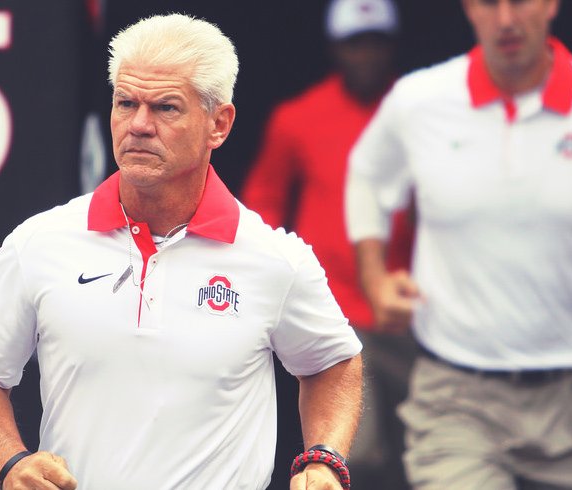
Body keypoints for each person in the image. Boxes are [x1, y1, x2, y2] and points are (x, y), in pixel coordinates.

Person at [0, 13, 364, 490]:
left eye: (166, 108)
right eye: (126, 103)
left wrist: (324, 457)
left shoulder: (274, 259)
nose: (138, 125)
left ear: (218, 125)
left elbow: (333, 360)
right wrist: (11, 462)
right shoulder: (39, 243)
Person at [345, 0, 572, 488]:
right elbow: (368, 175)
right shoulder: (420, 100)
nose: (505, 20)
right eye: (488, 3)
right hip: (456, 397)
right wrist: (373, 276)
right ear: (467, 8)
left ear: (552, 4)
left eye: (519, 1)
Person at [241, 1, 414, 488]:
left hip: (412, 307)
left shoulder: (417, 111)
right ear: (336, 49)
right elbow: (263, 204)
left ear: (392, 44)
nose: (367, 55)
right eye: (355, 43)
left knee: (429, 446)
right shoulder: (298, 118)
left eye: (376, 42)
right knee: (356, 456)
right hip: (335, 307)